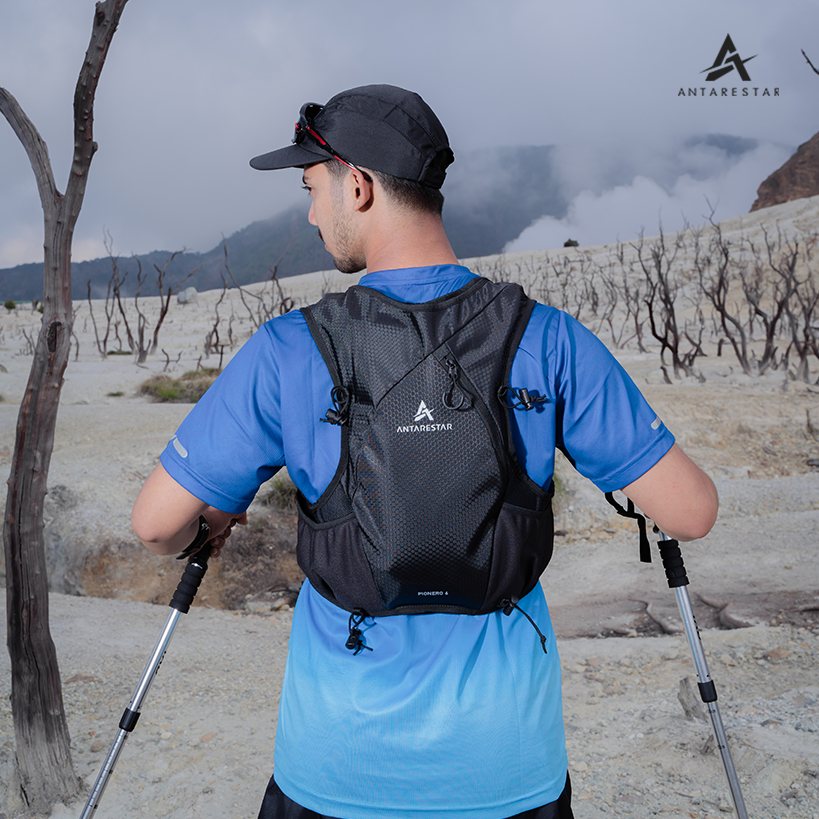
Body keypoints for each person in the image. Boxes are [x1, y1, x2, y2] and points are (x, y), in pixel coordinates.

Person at [131, 84, 718, 819]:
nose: (311, 213)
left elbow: (156, 526)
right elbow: (690, 512)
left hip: (336, 769)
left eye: (312, 189)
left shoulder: (288, 348)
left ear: (357, 185)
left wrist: (207, 528)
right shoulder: (546, 336)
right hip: (507, 769)